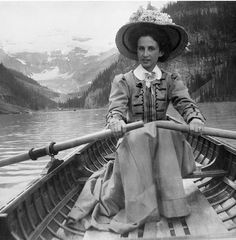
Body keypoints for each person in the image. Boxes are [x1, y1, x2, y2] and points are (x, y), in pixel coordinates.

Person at [66, 10, 205, 234]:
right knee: (139, 136)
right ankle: (144, 209)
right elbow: (116, 108)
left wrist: (195, 117)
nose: (145, 54)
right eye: (141, 48)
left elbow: (185, 104)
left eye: (151, 48)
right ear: (136, 51)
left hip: (164, 142)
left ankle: (172, 206)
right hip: (134, 140)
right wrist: (115, 120)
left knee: (169, 133)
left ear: (161, 52)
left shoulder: (172, 80)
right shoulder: (123, 81)